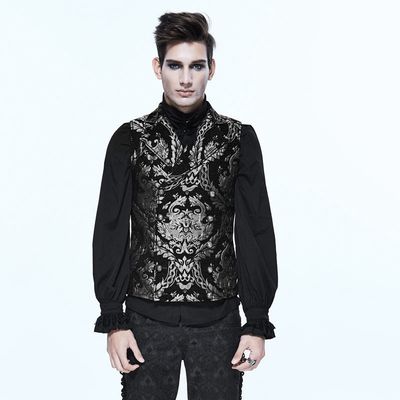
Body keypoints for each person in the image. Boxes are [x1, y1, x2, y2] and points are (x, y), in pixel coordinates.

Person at [92, 11, 278, 400]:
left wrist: (256, 321)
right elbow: (110, 229)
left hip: (219, 323)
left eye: (196, 66)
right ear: (157, 67)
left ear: (212, 68)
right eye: (175, 65)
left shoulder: (238, 139)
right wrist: (113, 319)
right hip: (144, 322)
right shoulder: (130, 139)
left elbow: (255, 230)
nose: (186, 78)